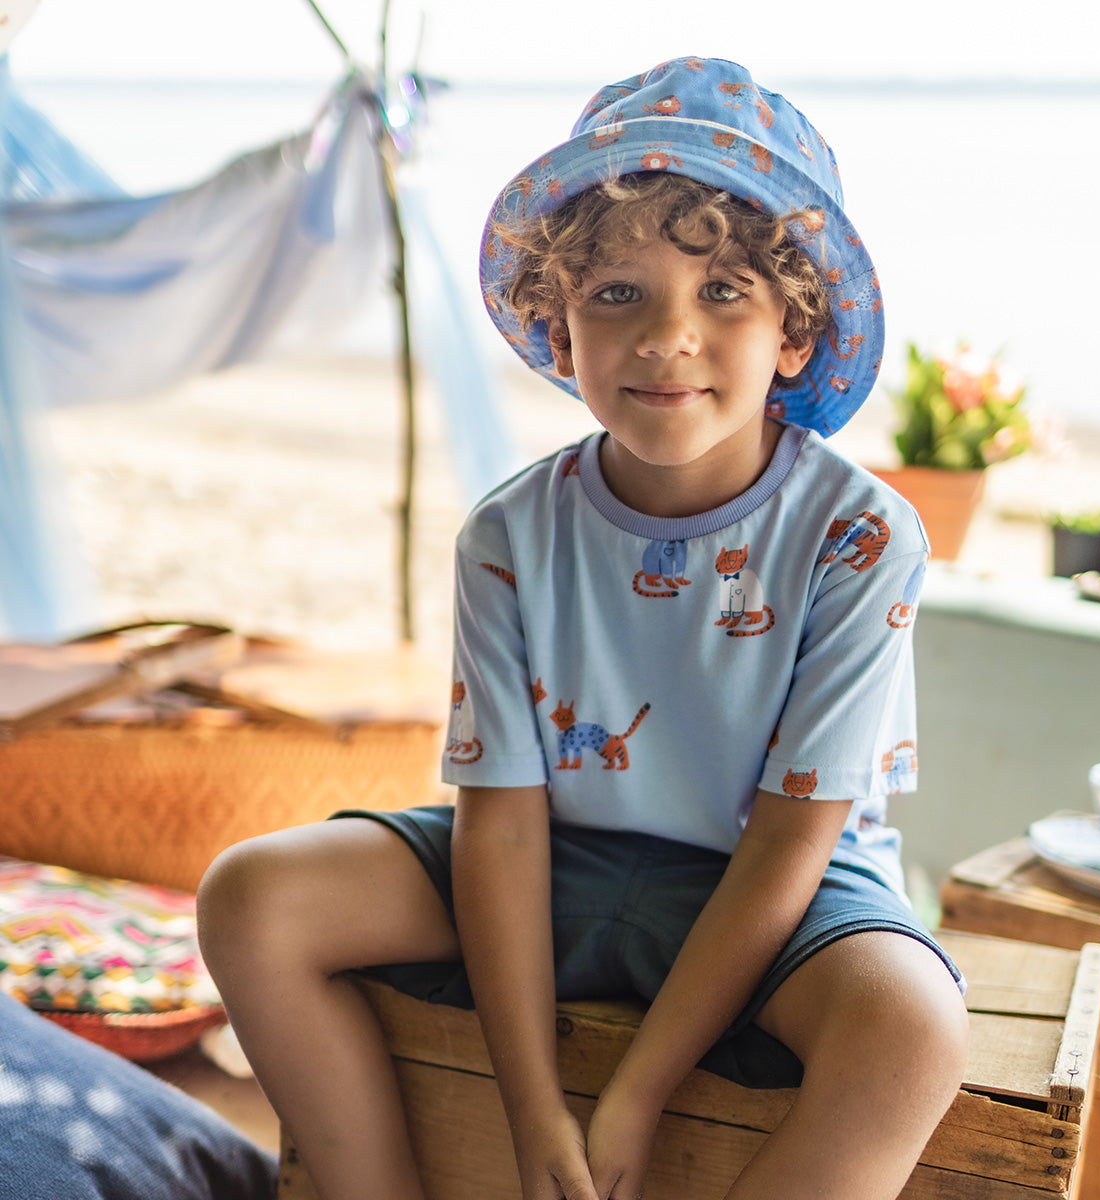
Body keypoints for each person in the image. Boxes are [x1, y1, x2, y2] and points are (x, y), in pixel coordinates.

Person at [198, 56, 970, 1200]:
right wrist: (535, 1112)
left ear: (793, 336)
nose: (667, 337)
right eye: (618, 293)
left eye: (723, 294)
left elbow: (790, 842)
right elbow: (501, 831)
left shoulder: (861, 538)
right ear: (558, 332)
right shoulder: (509, 536)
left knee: (913, 1035)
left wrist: (637, 1090)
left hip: (776, 881)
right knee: (250, 897)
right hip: (554, 857)